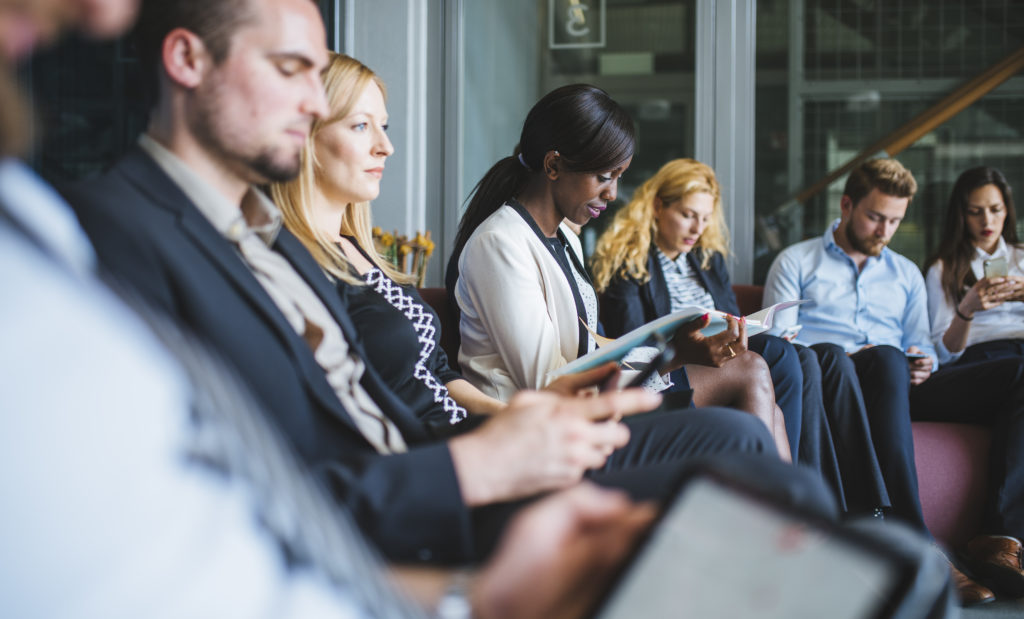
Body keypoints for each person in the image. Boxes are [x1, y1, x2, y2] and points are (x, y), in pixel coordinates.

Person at [67, 0, 822, 568]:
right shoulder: (126, 233)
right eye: (292, 70)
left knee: (750, 429)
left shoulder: (273, 239)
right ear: (187, 61)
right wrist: (483, 454)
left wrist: (507, 424)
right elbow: (270, 473)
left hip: (440, 459)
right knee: (776, 475)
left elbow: (377, 390)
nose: (310, 100)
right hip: (419, 494)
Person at [445, 85, 791, 460]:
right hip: (544, 427)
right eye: (605, 177)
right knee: (751, 372)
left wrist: (673, 354)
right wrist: (671, 355)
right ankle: (784, 512)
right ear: (553, 166)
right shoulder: (499, 243)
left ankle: (786, 512)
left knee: (763, 393)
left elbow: (585, 357)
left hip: (587, 406)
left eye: (617, 177)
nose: (612, 193)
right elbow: (547, 383)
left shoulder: (563, 237)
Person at [764, 157, 1024, 605]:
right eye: (875, 217)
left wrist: (922, 362)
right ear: (846, 206)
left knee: (889, 357)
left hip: (888, 381)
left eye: (895, 221)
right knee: (843, 358)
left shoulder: (904, 273)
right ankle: (916, 541)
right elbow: (779, 342)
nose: (885, 230)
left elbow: (922, 345)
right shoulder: (796, 261)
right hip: (825, 374)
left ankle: (917, 542)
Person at [590, 157, 889, 513]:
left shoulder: (706, 259)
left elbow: (733, 317)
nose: (697, 228)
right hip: (667, 370)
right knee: (774, 358)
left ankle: (802, 500)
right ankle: (796, 503)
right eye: (687, 215)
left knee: (803, 357)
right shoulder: (630, 262)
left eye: (704, 218)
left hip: (714, 359)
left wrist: (738, 329)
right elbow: (634, 344)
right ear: (657, 207)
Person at [269, 52, 505, 427]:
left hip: (462, 434)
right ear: (305, 136)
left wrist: (507, 414)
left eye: (384, 126)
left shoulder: (356, 248)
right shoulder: (291, 264)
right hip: (433, 459)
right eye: (361, 126)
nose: (385, 147)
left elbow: (435, 370)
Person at [924, 165, 1024, 366]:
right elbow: (943, 355)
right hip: (982, 355)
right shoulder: (943, 268)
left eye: (995, 210)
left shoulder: (1021, 255)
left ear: (1007, 211)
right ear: (962, 216)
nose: (987, 221)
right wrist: (967, 308)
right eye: (975, 212)